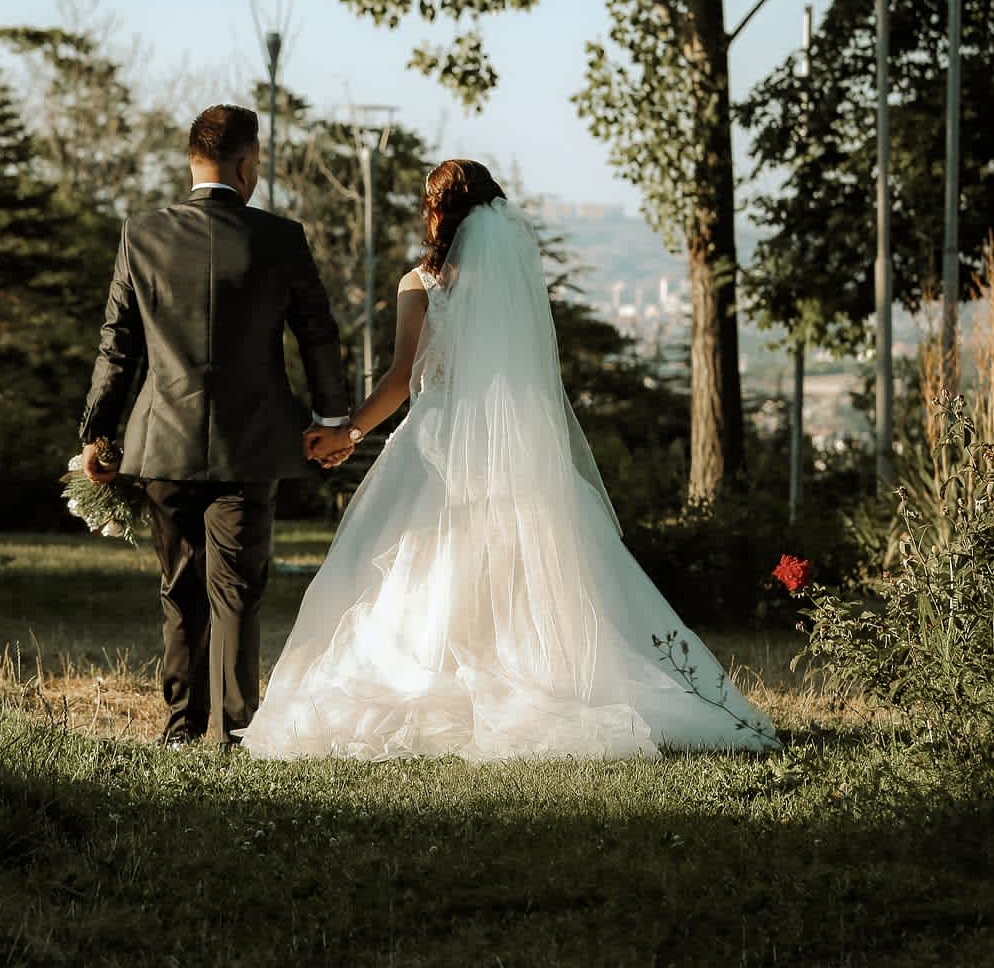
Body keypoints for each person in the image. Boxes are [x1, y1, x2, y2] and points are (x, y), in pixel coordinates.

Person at [238, 160, 780, 760]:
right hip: (514, 445)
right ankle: (533, 671)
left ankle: (436, 671)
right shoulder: (511, 283)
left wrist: (349, 433)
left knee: (414, 561)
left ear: (439, 212)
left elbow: (400, 378)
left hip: (438, 441)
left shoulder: (420, 283)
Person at [79, 103, 351, 747]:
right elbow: (317, 332)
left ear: (191, 162)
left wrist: (97, 432)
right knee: (238, 590)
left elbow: (117, 345)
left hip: (161, 439)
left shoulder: (140, 233)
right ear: (247, 165)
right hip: (251, 442)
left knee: (178, 586)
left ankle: (179, 730)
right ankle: (235, 732)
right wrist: (332, 417)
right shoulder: (280, 238)